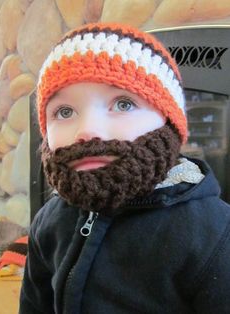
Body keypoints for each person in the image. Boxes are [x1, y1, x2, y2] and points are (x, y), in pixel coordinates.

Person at [19, 22, 230, 314]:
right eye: (64, 111)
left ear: (169, 122)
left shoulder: (214, 233)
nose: (88, 130)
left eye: (123, 104)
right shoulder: (48, 222)